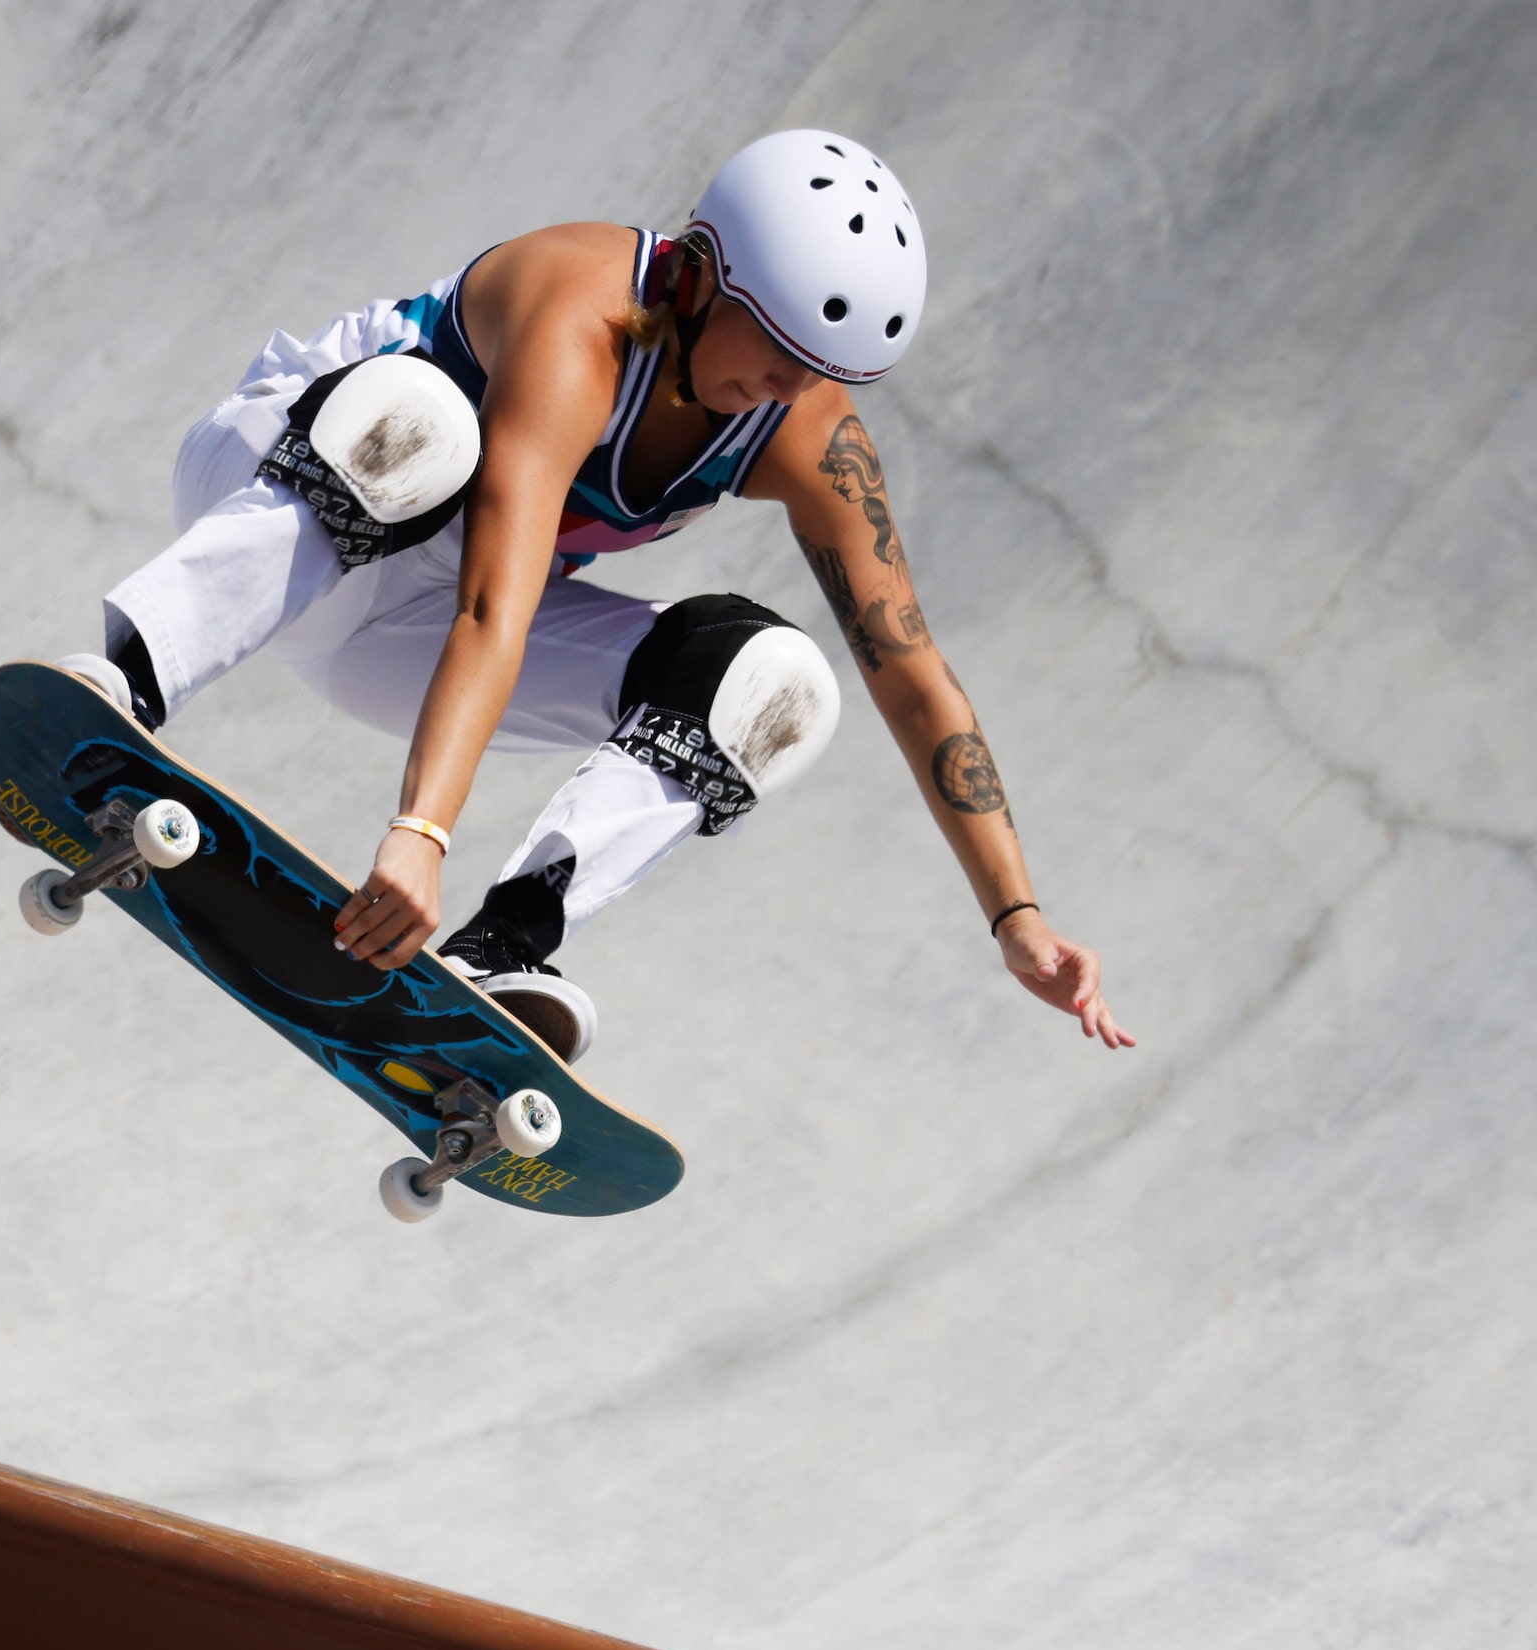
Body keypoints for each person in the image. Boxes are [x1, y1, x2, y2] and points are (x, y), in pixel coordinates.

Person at [64, 128, 1134, 1062]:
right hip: (278, 493)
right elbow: (498, 605)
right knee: (421, 424)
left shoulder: (805, 431)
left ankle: (500, 955)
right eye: (776, 348)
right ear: (701, 276)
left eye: (820, 369)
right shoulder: (583, 312)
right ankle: (128, 680)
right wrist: (421, 831)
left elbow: (911, 677)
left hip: (398, 634)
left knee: (776, 687)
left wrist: (1017, 916)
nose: (787, 390)